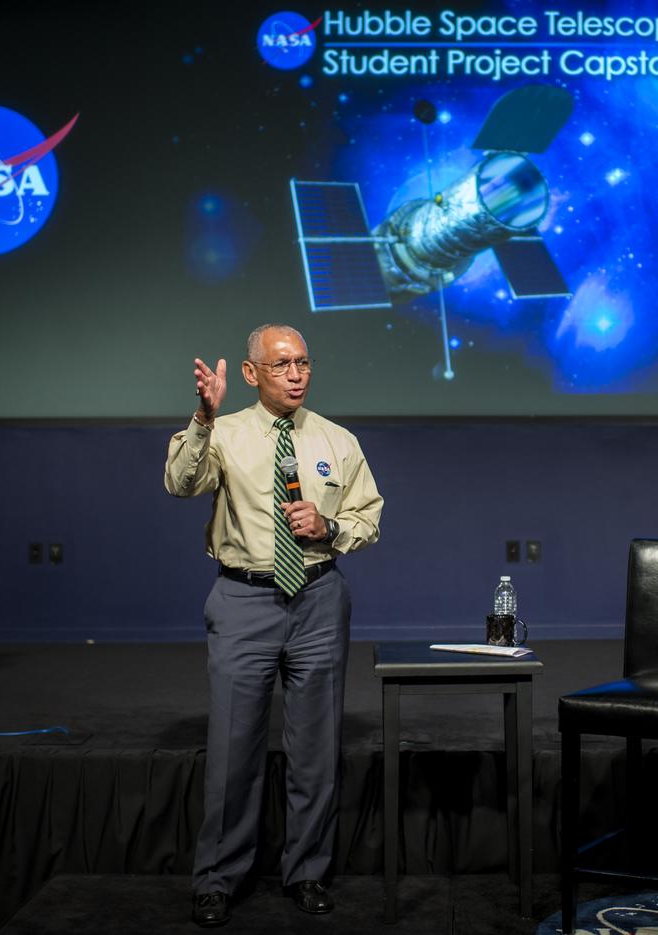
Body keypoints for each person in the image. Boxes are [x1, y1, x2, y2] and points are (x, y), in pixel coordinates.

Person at [164, 323, 383, 927]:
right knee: (234, 749)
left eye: (304, 363)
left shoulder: (337, 440)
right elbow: (181, 484)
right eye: (282, 364)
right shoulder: (224, 433)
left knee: (315, 750)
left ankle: (307, 871)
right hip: (245, 599)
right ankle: (218, 878)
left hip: (318, 597)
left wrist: (330, 527)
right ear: (253, 372)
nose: (296, 374)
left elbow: (369, 514)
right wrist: (203, 418)